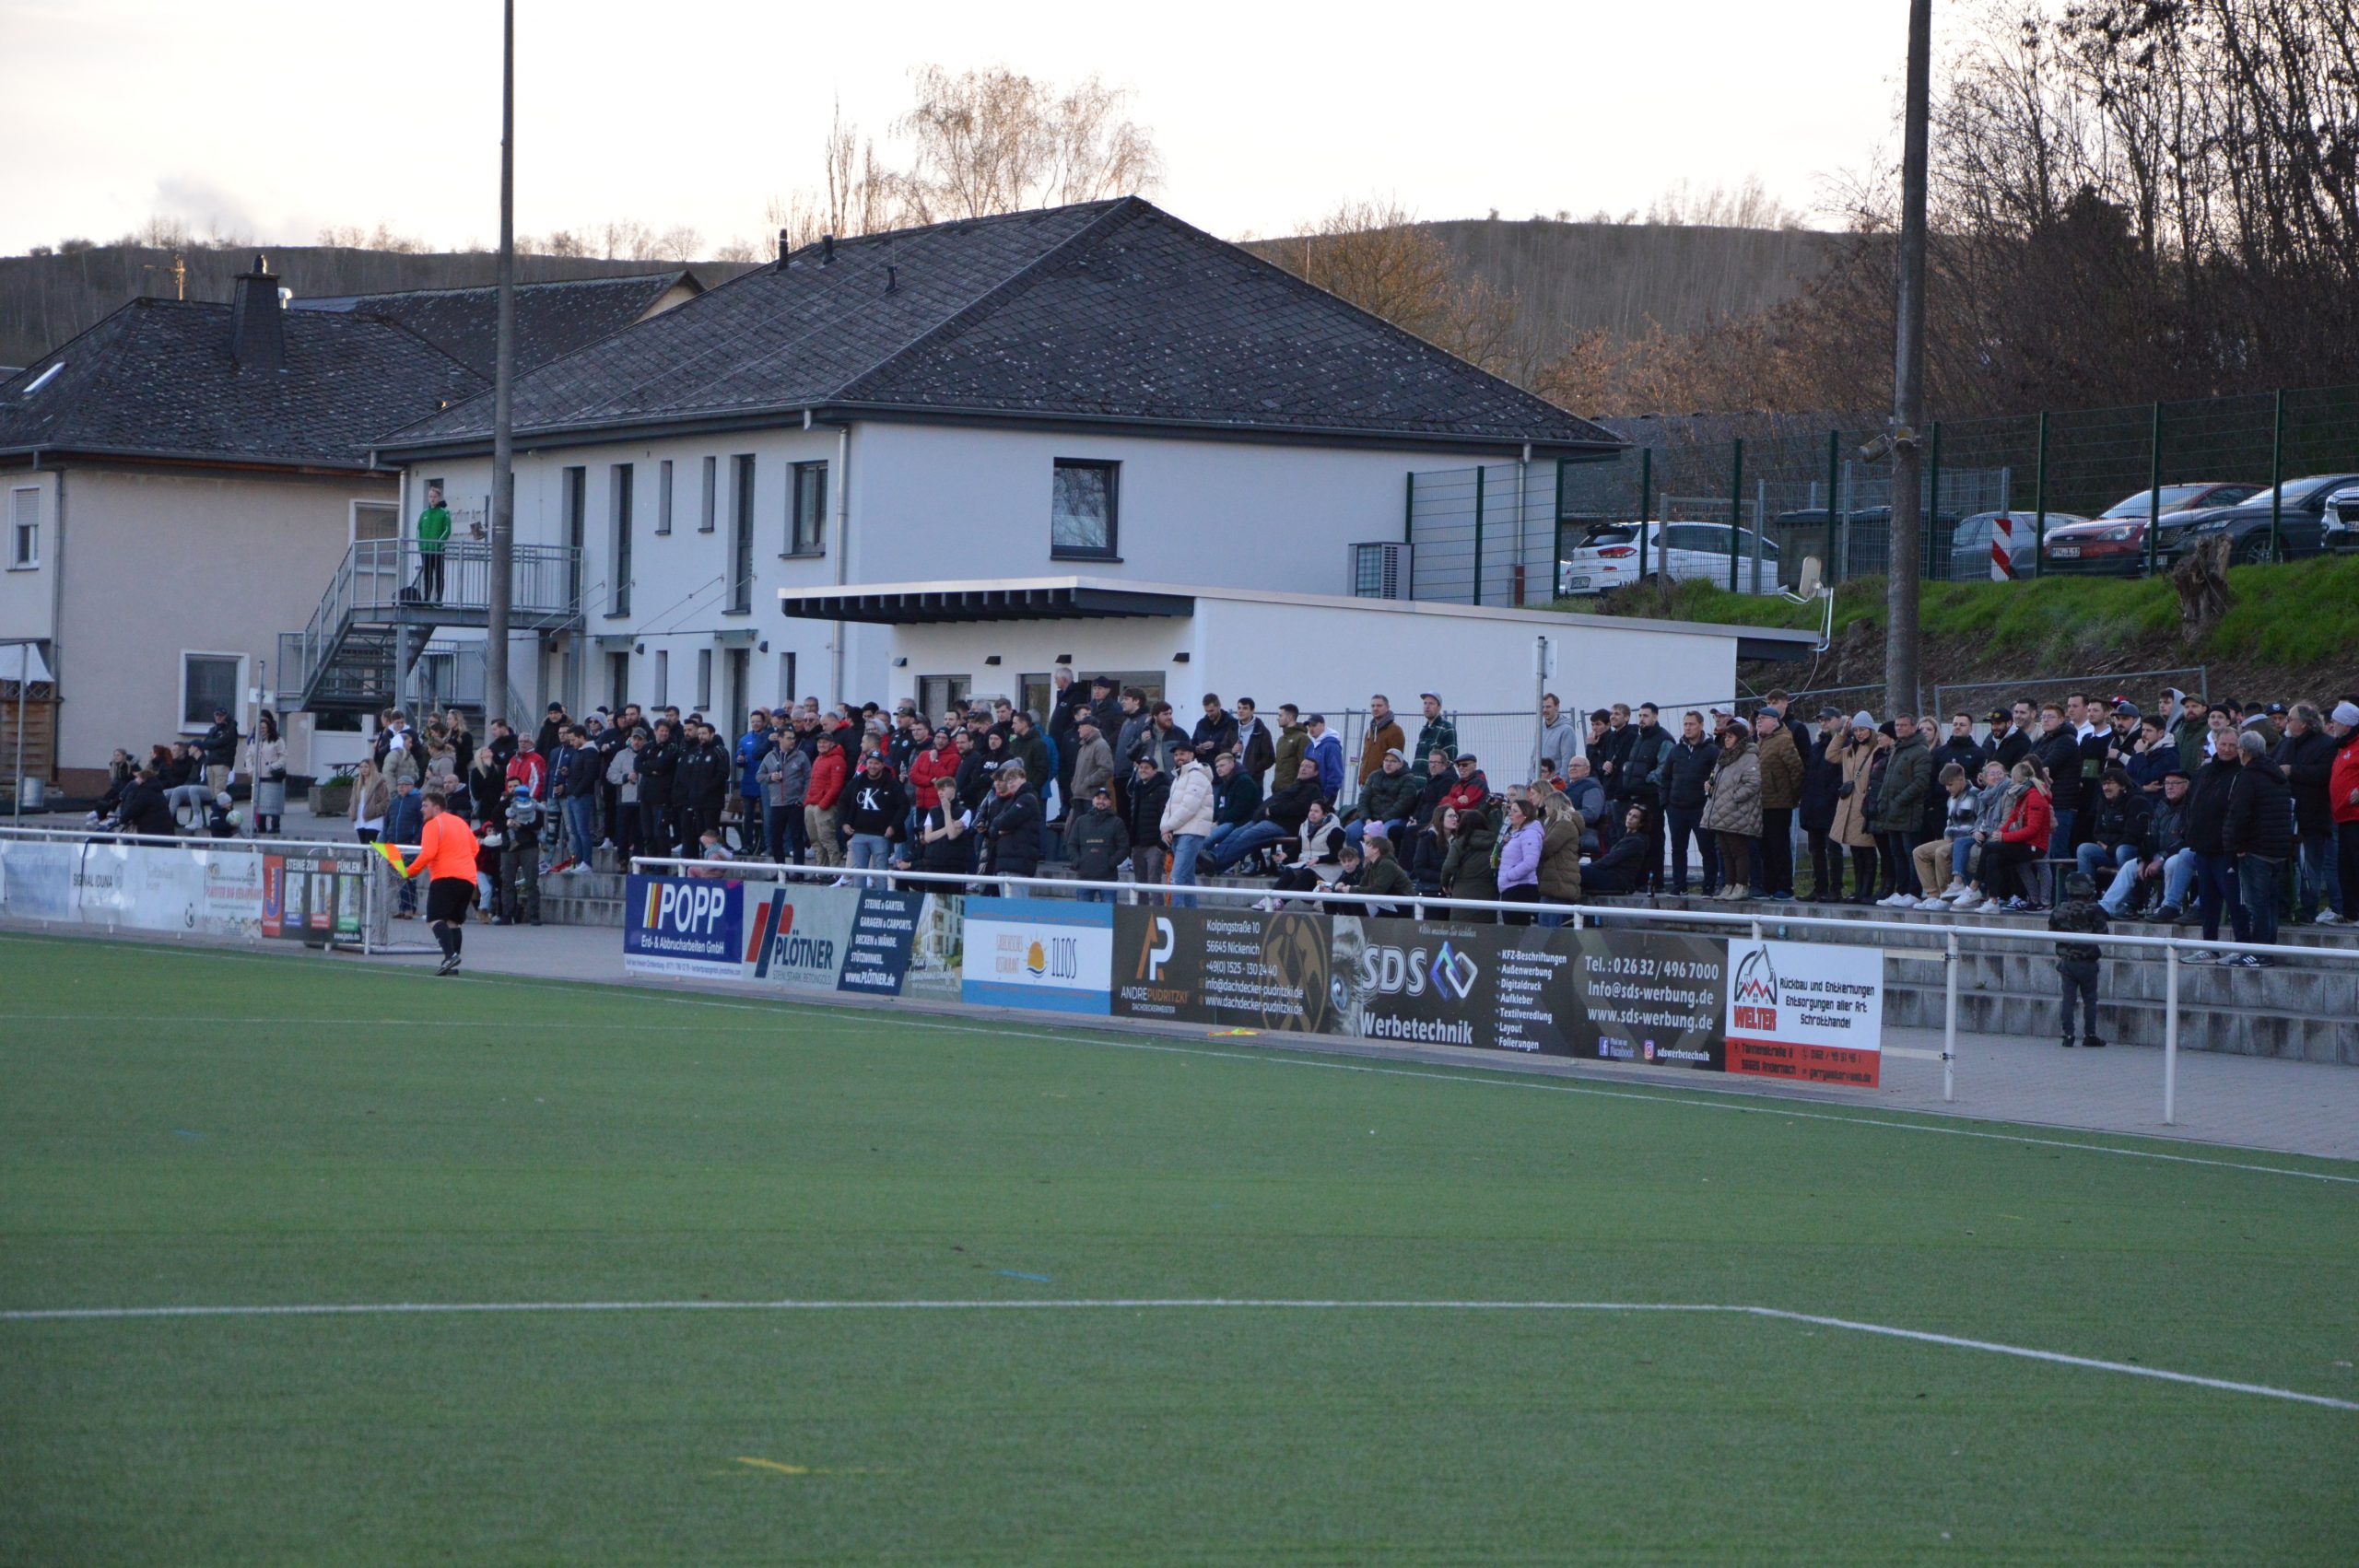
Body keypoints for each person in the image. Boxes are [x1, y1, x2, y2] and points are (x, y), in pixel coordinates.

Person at [2222, 730, 2292, 965]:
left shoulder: (2248, 777)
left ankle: (2259, 953)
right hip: (2277, 849)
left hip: (2255, 850)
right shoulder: (2277, 776)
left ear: (2243, 751)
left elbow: (2240, 814)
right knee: (2270, 904)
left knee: (2257, 904)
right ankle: (2267, 949)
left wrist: (2238, 845)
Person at [392, 790, 478, 974]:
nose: (421, 809)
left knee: (434, 918)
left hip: (445, 877)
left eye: (425, 805)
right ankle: (452, 962)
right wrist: (462, 861)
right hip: (468, 878)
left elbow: (428, 853)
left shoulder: (432, 824)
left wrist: (409, 871)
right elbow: (475, 848)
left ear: (437, 807)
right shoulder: (460, 822)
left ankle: (450, 956)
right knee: (453, 922)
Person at [2276, 704, 2341, 925]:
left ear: (2303, 723)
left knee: (2309, 866)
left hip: (2312, 816)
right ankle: (2283, 908)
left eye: (2290, 719)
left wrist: (2293, 771)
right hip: (2284, 815)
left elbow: (2325, 773)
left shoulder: (2326, 744)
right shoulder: (2286, 743)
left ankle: (2308, 910)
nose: (2286, 723)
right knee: (2281, 864)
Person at [2100, 769, 2196, 919]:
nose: (2170, 787)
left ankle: (2167, 907)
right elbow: (2150, 836)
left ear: (2186, 785)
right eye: (2167, 783)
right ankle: (2105, 907)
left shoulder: (2191, 807)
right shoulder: (2161, 806)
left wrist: (2161, 859)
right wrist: (2143, 859)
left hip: (2180, 856)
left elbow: (2186, 841)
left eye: (2175, 783)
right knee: (2130, 866)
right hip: (2158, 855)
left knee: (2172, 863)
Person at [1872, 714, 1931, 907]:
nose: (1899, 728)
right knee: (1896, 853)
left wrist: (1899, 801)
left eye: (1904, 725)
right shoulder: (1897, 749)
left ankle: (1914, 891)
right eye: (1897, 725)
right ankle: (1902, 890)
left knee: (1909, 853)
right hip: (1891, 812)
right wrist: (1882, 801)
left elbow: (1921, 782)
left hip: (1909, 812)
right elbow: (1888, 779)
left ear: (1913, 727)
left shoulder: (1920, 751)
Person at [1658, 710, 1718, 896]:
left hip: (1700, 807)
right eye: (1685, 724)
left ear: (1701, 726)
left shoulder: (1712, 750)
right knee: (1678, 849)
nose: (1688, 727)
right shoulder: (1676, 750)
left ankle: (1709, 887)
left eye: (1691, 724)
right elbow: (1665, 777)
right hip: (1676, 808)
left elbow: (1717, 777)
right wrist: (1666, 803)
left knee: (1706, 848)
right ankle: (1679, 885)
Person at [1700, 720, 1762, 901]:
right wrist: (1710, 786)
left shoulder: (1749, 757)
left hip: (1738, 811)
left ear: (1740, 738)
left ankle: (1741, 885)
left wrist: (1734, 797)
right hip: (1721, 810)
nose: (1726, 739)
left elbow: (1753, 783)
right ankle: (1729, 884)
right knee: (1725, 851)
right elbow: (1717, 779)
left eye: (1730, 736)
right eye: (1725, 736)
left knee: (1739, 851)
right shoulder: (1724, 757)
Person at [2048, 872, 2109, 1048]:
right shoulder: (2095, 909)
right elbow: (2103, 933)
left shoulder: (2059, 909)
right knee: (2090, 1000)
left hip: (2067, 961)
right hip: (2088, 962)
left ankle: (2068, 1034)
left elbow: (2052, 932)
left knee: (2068, 999)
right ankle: (2090, 1034)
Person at [1912, 763, 1979, 906]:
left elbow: (1980, 821)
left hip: (1966, 840)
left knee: (1941, 852)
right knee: (1919, 852)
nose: (1947, 789)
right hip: (1949, 838)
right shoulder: (1951, 798)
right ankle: (1932, 894)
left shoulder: (1976, 795)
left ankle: (1946, 895)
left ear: (1961, 779)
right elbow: (1950, 822)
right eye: (1946, 786)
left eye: (1950, 784)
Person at [1753, 709, 1802, 902]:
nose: (1759, 722)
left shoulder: (1783, 740)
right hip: (1762, 802)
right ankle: (1769, 885)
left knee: (1779, 845)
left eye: (1763, 718)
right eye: (1758, 719)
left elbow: (1796, 770)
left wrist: (1791, 797)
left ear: (1774, 721)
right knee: (1765, 846)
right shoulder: (1761, 741)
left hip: (1779, 803)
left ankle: (1785, 886)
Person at [843, 751, 909, 876]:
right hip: (858, 833)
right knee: (858, 872)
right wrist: (844, 822)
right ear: (866, 764)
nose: (873, 766)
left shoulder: (891, 783)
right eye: (870, 763)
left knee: (880, 872)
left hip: (881, 835)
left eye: (876, 763)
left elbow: (904, 806)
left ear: (882, 765)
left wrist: (893, 826)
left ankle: (878, 890)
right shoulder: (857, 781)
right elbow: (843, 801)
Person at [1439, 794, 1499, 920]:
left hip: (1462, 892)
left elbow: (1449, 866)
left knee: (1461, 929)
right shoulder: (1494, 843)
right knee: (1485, 929)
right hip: (1487, 892)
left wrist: (1445, 883)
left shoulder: (1459, 843)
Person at [1121, 752, 1172, 900]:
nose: (1143, 770)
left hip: (1154, 845)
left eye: (1147, 767)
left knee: (1154, 883)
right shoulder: (1137, 788)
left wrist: (1161, 844)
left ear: (1155, 770)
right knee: (1139, 884)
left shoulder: (1162, 789)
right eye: (1141, 767)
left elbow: (1165, 816)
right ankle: (1141, 912)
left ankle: (1157, 912)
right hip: (1138, 844)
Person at [1066, 784, 1131, 901]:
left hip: (1108, 879)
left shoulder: (1117, 823)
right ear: (1093, 800)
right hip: (1084, 878)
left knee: (1108, 912)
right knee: (1083, 913)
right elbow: (1071, 845)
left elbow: (1124, 848)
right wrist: (1078, 862)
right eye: (1098, 798)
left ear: (1110, 802)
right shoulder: (1081, 821)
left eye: (1105, 799)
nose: (1101, 801)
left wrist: (1110, 863)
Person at [1351, 747, 1422, 848]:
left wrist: (1380, 821)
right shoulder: (1374, 775)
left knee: (1385, 834)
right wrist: (1367, 819)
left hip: (1394, 819)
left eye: (1393, 761)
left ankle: (1385, 857)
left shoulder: (1408, 779)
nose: (1388, 764)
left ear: (1400, 764)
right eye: (1386, 760)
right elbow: (1363, 799)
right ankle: (1360, 858)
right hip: (1370, 819)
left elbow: (1402, 806)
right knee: (1350, 832)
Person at [1581, 804, 1653, 895]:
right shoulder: (1628, 837)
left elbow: (1610, 860)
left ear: (1641, 823)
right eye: (1629, 814)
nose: (1630, 818)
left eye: (1635, 817)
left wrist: (1589, 867)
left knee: (1578, 871)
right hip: (1611, 876)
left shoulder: (1636, 841)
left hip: (1617, 880)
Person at [499, 780, 543, 926]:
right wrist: (507, 824)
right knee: (507, 882)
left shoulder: (533, 805)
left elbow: (538, 824)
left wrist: (521, 825)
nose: (513, 790)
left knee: (531, 882)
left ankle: (534, 915)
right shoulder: (505, 805)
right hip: (508, 847)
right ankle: (507, 915)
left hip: (529, 846)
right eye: (510, 787)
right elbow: (496, 821)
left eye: (516, 787)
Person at [804, 731, 847, 869]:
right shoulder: (818, 759)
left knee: (827, 839)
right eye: (819, 742)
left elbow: (836, 786)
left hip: (825, 807)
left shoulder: (837, 760)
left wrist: (823, 805)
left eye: (825, 742)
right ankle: (821, 869)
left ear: (832, 743)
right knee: (815, 841)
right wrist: (808, 801)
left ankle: (834, 870)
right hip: (812, 804)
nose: (821, 745)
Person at [1356, 695, 1404, 786]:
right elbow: (1365, 757)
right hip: (1365, 783)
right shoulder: (1369, 731)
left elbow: (1396, 759)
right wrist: (1361, 777)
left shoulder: (1395, 731)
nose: (1375, 708)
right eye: (1373, 706)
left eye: (1379, 705)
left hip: (1382, 785)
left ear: (1387, 707)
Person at [416, 483, 452, 603]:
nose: (432, 499)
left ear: (439, 498)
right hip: (425, 550)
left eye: (434, 497)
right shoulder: (424, 513)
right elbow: (418, 529)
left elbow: (447, 530)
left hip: (438, 550)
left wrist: (438, 543)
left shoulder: (444, 513)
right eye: (430, 496)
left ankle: (439, 599)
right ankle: (426, 598)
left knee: (439, 575)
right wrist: (420, 544)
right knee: (427, 575)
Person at [1303, 714, 1344, 803]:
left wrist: (1327, 795)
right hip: (1309, 793)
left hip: (1324, 794)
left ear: (1323, 725)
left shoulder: (1331, 746)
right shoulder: (1310, 747)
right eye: (1309, 726)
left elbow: (1336, 772)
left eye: (1314, 725)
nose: (1311, 729)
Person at [1413, 694, 1458, 765]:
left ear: (1439, 707)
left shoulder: (1447, 728)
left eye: (1431, 704)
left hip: (1435, 772)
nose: (1427, 707)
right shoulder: (1424, 730)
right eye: (1425, 703)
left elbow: (1450, 759)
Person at [351, 759, 389, 844]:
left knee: (369, 844)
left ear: (371, 768)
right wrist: (352, 810)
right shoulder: (357, 783)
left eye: (366, 767)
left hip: (373, 818)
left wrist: (374, 810)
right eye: (361, 767)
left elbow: (386, 801)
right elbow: (353, 799)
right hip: (359, 818)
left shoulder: (379, 783)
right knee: (363, 845)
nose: (363, 769)